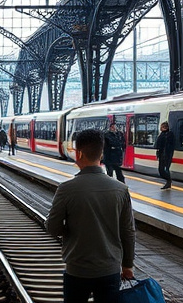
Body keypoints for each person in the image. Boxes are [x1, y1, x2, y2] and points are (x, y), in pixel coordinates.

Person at [46, 129, 135, 303]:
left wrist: (71, 230)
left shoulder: (66, 189)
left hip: (77, 270)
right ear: (101, 154)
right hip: (110, 270)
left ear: (78, 153)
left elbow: (52, 228)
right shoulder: (120, 189)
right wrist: (127, 265)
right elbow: (128, 231)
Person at [154, 122, 175, 190]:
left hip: (166, 155)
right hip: (162, 154)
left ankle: (168, 181)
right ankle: (168, 181)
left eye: (162, 127)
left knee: (164, 169)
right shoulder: (163, 134)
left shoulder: (168, 135)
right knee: (162, 170)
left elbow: (168, 145)